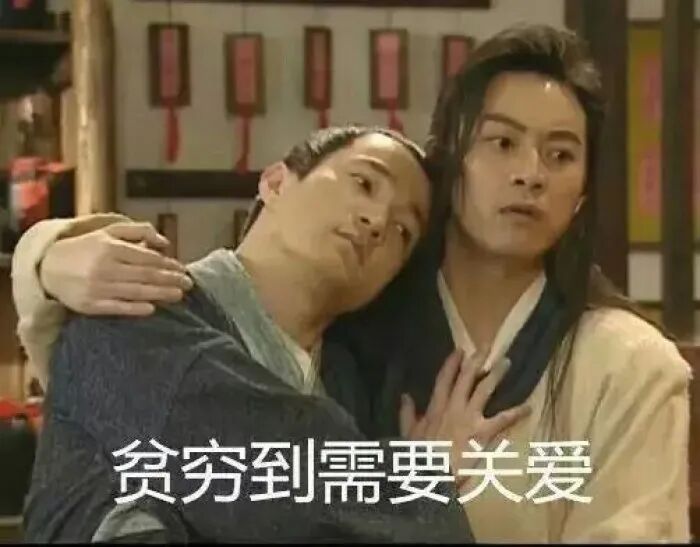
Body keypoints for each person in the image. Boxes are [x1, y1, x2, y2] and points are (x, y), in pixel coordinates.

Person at [13, 24, 691, 542]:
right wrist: (45, 254)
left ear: (582, 195)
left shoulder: (627, 364)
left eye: (561, 155)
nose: (530, 174)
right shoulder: (351, 329)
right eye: (502, 142)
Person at [18, 126, 527, 543]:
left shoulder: (352, 391)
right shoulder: (134, 315)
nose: (377, 221)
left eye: (402, 231)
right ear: (276, 181)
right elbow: (268, 472)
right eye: (364, 183)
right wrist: (418, 478)